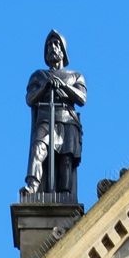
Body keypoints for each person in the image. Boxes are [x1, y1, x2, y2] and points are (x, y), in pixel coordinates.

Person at [23, 32, 86, 199]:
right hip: (45, 119)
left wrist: (63, 86)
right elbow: (29, 99)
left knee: (66, 160)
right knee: (38, 149)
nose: (52, 47)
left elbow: (82, 99)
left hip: (68, 121)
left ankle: (65, 195)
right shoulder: (38, 76)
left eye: (56, 44)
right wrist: (44, 87)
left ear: (63, 51)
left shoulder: (75, 76)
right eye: (49, 45)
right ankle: (32, 187)